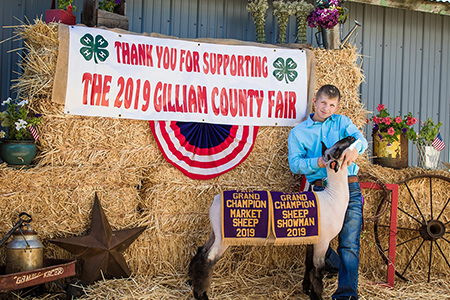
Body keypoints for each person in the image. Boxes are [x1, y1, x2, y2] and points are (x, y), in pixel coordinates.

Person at [287, 84, 368, 300]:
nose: (327, 108)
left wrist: (353, 149)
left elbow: (361, 140)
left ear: (337, 106)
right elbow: (295, 164)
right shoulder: (298, 132)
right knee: (313, 238)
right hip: (319, 190)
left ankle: (346, 295)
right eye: (323, 103)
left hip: (347, 186)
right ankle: (322, 274)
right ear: (315, 101)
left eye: (332, 105)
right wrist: (319, 162)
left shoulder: (342, 123)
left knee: (349, 241)